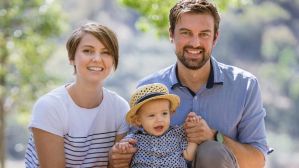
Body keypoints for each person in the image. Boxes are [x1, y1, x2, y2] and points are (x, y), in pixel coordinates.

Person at [109, 0, 270, 168]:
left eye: (204, 34)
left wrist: (214, 136)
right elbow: (130, 154)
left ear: (215, 37)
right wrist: (118, 158)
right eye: (186, 33)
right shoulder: (148, 89)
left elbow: (257, 161)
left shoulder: (245, 86)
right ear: (171, 34)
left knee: (211, 151)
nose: (195, 43)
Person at [25, 22, 131, 168]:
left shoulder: (120, 108)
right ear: (71, 57)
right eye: (88, 51)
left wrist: (115, 160)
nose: (97, 59)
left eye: (106, 52)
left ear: (113, 60)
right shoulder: (50, 107)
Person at [116, 83, 198, 167]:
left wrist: (193, 137)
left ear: (170, 113)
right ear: (138, 120)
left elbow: (188, 156)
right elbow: (123, 151)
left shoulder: (178, 133)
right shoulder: (134, 139)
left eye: (164, 113)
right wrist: (123, 147)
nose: (159, 119)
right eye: (152, 115)